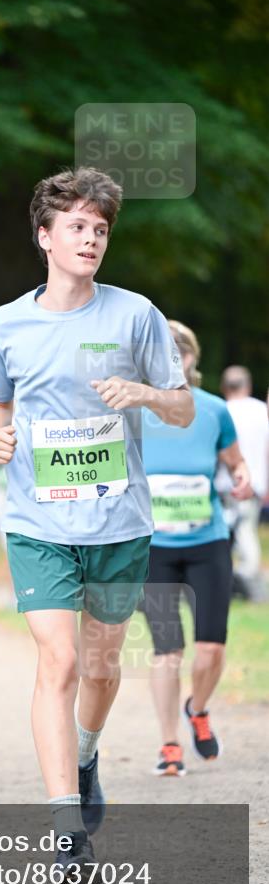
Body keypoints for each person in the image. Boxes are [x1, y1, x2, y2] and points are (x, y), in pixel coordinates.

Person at [0, 167, 194, 884]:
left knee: (102, 668)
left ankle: (87, 752)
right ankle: (66, 832)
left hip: (118, 521)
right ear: (44, 237)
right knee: (58, 663)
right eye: (77, 226)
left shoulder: (134, 314)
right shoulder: (3, 324)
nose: (91, 238)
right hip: (38, 520)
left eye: (100, 228)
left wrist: (142, 392)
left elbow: (183, 408)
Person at [142, 323, 251, 776]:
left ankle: (198, 708)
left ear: (191, 359)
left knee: (211, 650)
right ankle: (169, 745)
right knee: (167, 651)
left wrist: (242, 475)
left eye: (178, 353)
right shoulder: (134, 411)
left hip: (207, 542)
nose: (171, 361)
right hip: (154, 549)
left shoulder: (213, 410)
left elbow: (235, 460)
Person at [217, 365, 268, 601]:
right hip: (255, 483)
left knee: (229, 534)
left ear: (224, 387)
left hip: (225, 484)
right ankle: (247, 584)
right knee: (247, 531)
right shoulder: (261, 411)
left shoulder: (221, 409)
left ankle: (239, 584)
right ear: (247, 386)